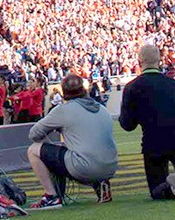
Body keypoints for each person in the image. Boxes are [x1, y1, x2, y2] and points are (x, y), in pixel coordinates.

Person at [116, 43, 175, 201]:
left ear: (140, 61)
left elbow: (127, 125)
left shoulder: (133, 87)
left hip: (154, 142)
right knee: (171, 136)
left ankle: (170, 189)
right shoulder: (173, 84)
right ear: (159, 60)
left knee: (156, 189)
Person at [24, 74, 117, 208]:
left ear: (64, 92)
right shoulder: (102, 109)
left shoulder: (63, 110)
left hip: (85, 166)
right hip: (110, 166)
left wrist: (54, 130)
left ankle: (51, 196)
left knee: (34, 150)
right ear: (84, 89)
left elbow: (34, 134)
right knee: (80, 151)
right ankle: (99, 184)